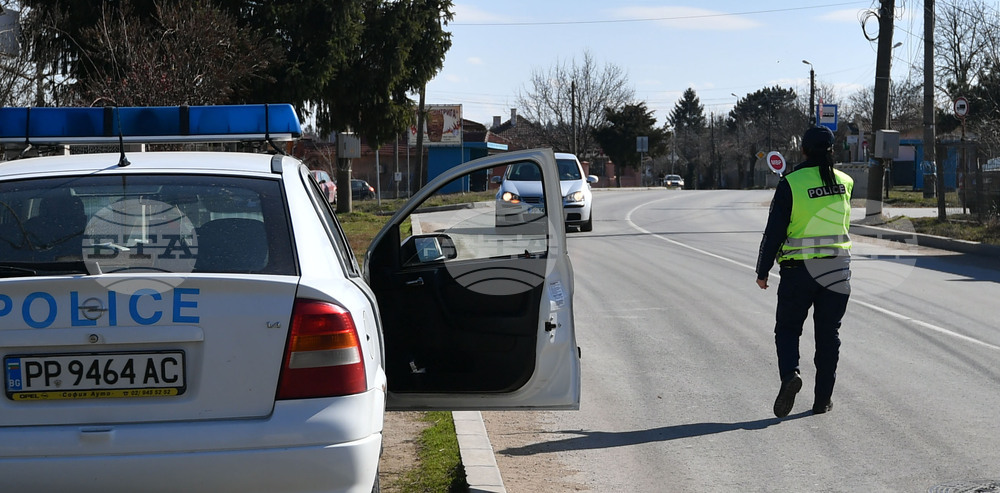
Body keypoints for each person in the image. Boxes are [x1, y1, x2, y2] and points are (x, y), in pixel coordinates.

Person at [755, 126, 853, 418]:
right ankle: (823, 400)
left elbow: (774, 232)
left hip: (799, 271)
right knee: (828, 336)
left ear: (803, 151)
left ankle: (790, 376)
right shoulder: (846, 182)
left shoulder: (791, 183)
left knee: (787, 329)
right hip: (837, 270)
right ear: (832, 151)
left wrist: (763, 270)